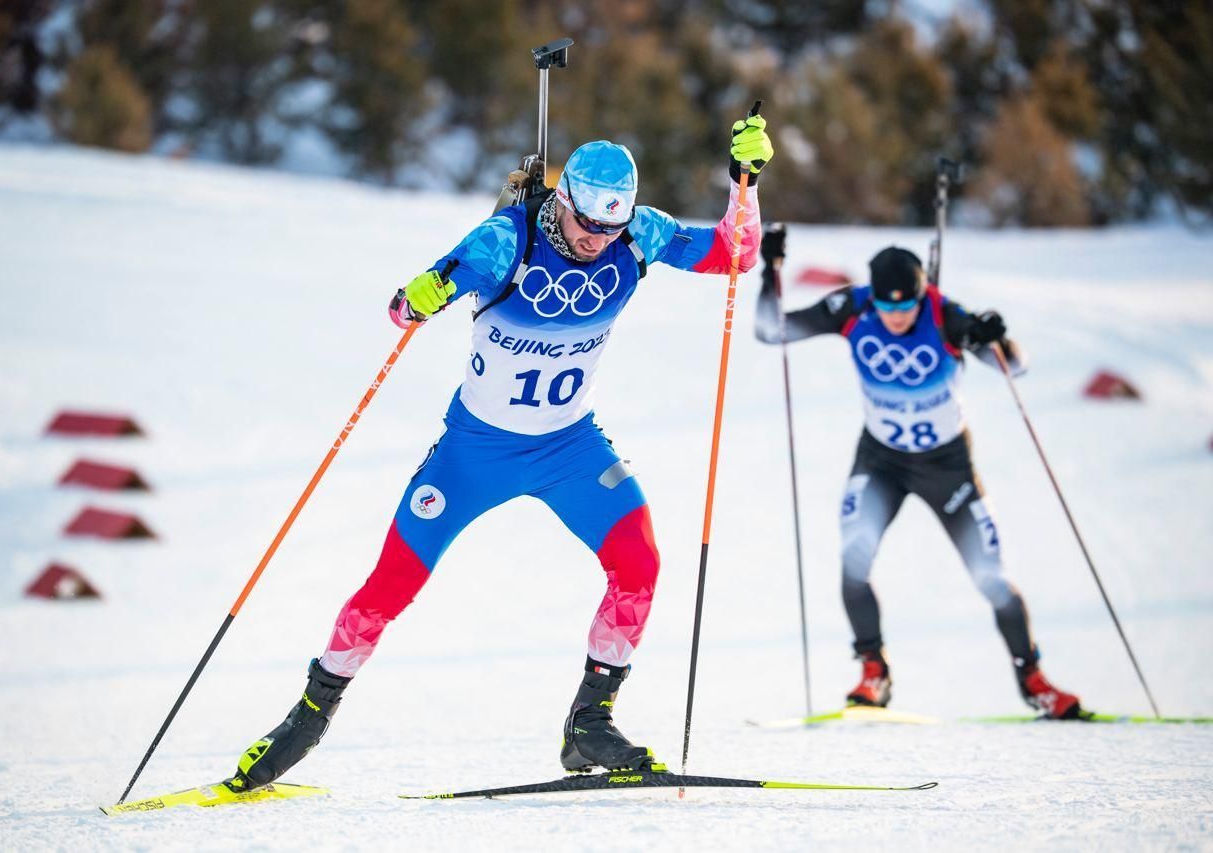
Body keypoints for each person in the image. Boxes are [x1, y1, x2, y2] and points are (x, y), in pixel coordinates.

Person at [228, 117, 776, 790]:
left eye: (611, 229)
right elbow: (405, 308)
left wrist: (742, 184)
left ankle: (589, 723)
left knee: (640, 561)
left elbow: (735, 254)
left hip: (569, 443)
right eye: (586, 225)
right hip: (474, 451)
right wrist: (421, 296)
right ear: (564, 201)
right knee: (391, 583)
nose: (597, 241)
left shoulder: (640, 234)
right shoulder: (504, 241)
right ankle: (309, 715)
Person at [754, 235, 1083, 719]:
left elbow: (1014, 366)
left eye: (906, 306)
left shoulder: (946, 314)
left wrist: (997, 335)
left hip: (947, 467)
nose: (897, 317)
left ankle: (1034, 681)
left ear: (921, 294)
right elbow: (770, 330)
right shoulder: (852, 306)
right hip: (882, 462)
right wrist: (771, 270)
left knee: (992, 577)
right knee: (854, 561)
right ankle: (874, 673)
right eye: (889, 308)